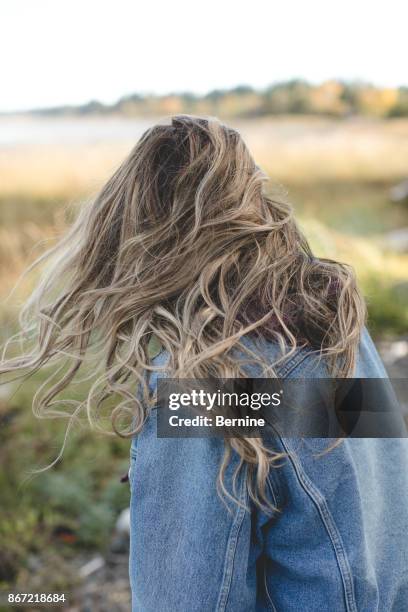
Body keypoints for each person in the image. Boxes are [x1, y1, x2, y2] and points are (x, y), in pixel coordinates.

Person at [1, 115, 407, 611]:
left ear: (141, 234)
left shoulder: (210, 377)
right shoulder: (334, 322)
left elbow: (188, 600)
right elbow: (354, 500)